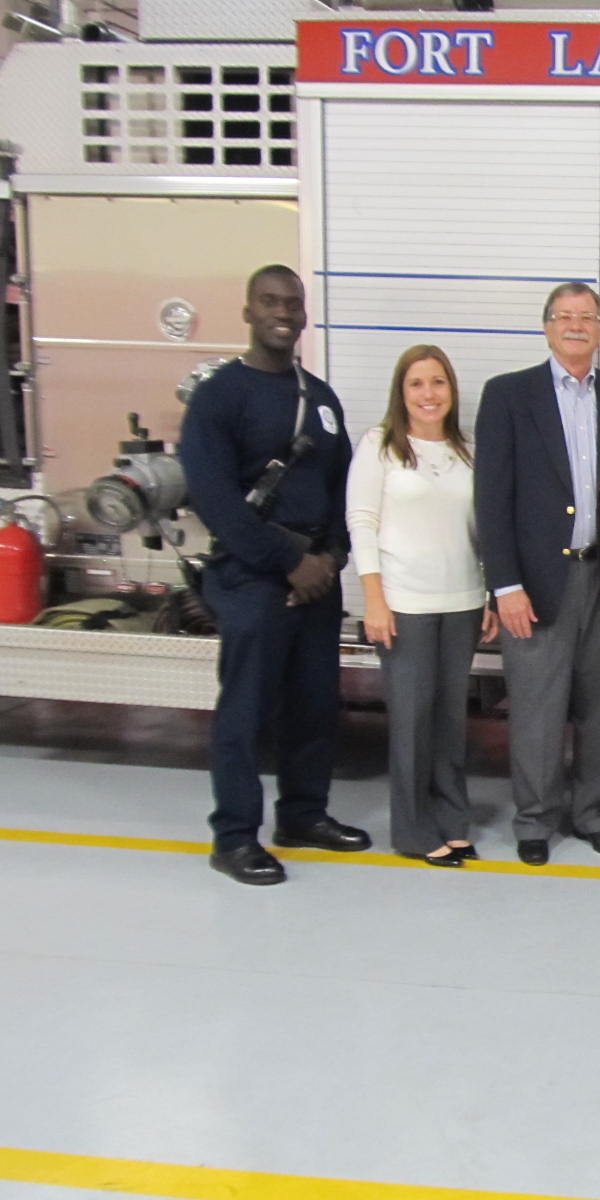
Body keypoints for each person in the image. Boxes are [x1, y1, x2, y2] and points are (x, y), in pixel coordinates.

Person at [180, 264, 371, 885]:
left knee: (315, 705)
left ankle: (303, 815)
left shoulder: (320, 399)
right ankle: (234, 837)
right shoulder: (218, 397)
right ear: (247, 311)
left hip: (315, 578)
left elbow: (345, 487)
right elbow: (216, 501)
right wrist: (290, 561)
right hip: (252, 579)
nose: (281, 312)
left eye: (291, 302)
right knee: (246, 711)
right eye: (268, 301)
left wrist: (332, 558)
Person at [474, 283, 600, 866]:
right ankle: (534, 819)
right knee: (537, 708)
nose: (576, 325)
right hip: (535, 583)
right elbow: (492, 498)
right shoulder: (508, 396)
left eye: (588, 317)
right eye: (564, 316)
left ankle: (597, 815)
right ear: (547, 327)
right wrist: (504, 585)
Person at [348, 345, 498, 868]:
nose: (429, 394)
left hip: (459, 602)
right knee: (412, 720)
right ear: (401, 392)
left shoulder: (468, 452)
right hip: (403, 605)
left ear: (452, 392)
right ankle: (412, 829)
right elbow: (361, 522)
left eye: (438, 383)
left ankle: (452, 821)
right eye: (417, 384)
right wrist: (374, 599)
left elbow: (481, 533)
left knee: (449, 719)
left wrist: (485, 593)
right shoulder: (381, 447)